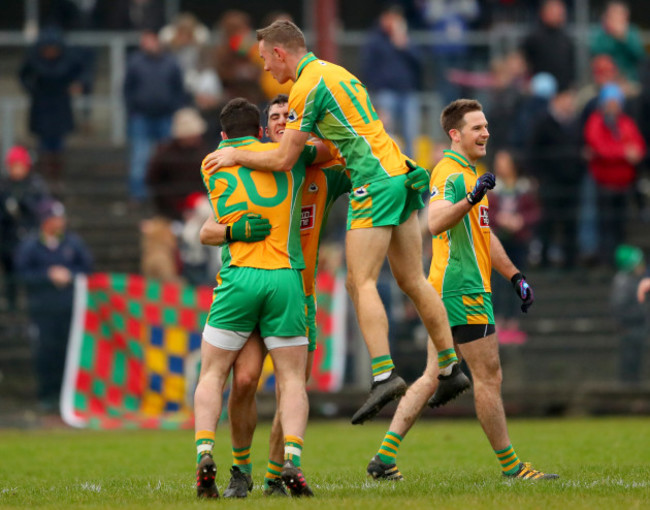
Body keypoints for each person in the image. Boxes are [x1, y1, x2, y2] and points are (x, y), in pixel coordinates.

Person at [202, 19, 469, 425]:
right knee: (412, 279)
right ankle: (450, 367)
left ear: (280, 52)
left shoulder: (306, 87)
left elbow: (282, 158)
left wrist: (237, 155)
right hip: (401, 171)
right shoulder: (338, 72)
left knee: (358, 281)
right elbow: (349, 134)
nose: (265, 71)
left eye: (264, 60)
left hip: (374, 183)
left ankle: (383, 374)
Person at [366, 99, 558, 482]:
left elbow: (483, 237)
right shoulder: (449, 173)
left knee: (434, 372)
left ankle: (383, 459)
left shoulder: (471, 173)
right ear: (455, 134)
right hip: (461, 290)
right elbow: (435, 222)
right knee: (489, 376)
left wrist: (515, 275)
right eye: (476, 127)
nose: (485, 132)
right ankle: (512, 468)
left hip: (450, 288)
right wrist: (471, 197)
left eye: (486, 125)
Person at [198, 94, 351, 497]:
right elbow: (205, 231)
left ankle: (274, 475)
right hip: (274, 279)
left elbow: (345, 151)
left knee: (292, 383)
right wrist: (233, 230)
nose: (284, 121)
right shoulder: (285, 162)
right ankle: (243, 472)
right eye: (277, 116)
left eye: (292, 116)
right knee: (246, 379)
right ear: (265, 128)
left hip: (298, 287)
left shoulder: (315, 167)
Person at [14, 199, 93, 411]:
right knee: (46, 351)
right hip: (42, 309)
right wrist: (47, 276)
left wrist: (70, 275)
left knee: (69, 350)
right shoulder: (31, 245)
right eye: (54, 218)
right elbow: (22, 274)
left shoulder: (72, 243)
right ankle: (47, 395)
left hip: (69, 307)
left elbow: (87, 269)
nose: (59, 223)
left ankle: (67, 396)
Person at [583, 82, 646, 264]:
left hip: (624, 184)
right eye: (610, 102)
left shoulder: (625, 122)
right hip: (604, 183)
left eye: (616, 102)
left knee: (621, 227)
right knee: (605, 225)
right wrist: (624, 153)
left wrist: (631, 152)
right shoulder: (596, 121)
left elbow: (638, 145)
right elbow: (600, 147)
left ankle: (619, 261)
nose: (613, 106)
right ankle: (606, 261)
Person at [19, 27, 83, 193]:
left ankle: (56, 179)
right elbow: (23, 76)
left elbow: (81, 73)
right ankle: (44, 180)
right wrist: (32, 90)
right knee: (44, 145)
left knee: (58, 145)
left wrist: (76, 84)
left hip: (60, 105)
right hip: (42, 105)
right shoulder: (35, 60)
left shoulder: (68, 59)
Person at [123, 30, 185, 202]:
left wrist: (174, 108)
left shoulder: (171, 63)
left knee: (167, 157)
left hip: (165, 116)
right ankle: (137, 194)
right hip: (141, 116)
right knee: (139, 157)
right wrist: (132, 110)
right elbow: (127, 89)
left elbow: (178, 88)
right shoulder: (135, 62)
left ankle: (165, 193)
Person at [527, 87, 583, 268]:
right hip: (550, 182)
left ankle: (570, 263)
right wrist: (538, 177)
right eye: (566, 98)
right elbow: (533, 152)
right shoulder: (542, 122)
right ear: (557, 99)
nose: (570, 103)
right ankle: (543, 261)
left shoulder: (575, 123)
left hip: (571, 182)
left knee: (570, 223)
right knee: (547, 222)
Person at [361, 2, 422, 157]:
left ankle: (412, 169)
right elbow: (367, 69)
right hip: (385, 93)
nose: (393, 21)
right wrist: (375, 91)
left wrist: (405, 45)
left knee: (411, 135)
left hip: (408, 93)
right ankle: (390, 166)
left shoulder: (407, 39)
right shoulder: (374, 40)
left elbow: (420, 63)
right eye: (391, 17)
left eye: (397, 17)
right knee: (387, 133)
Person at [0, 146, 51, 311]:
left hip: (30, 238)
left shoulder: (35, 185)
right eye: (12, 166)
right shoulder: (4, 186)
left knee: (32, 276)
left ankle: (34, 307)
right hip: (8, 240)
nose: (16, 170)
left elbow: (44, 210)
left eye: (19, 165)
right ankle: (12, 306)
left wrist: (25, 204)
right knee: (11, 276)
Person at [611, 245, 648, 384]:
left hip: (636, 326)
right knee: (629, 359)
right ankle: (628, 385)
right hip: (630, 327)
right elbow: (620, 307)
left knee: (635, 358)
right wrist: (641, 313)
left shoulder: (633, 281)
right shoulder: (624, 283)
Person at [521, 0, 575, 91]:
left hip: (562, 92)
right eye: (554, 10)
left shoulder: (567, 40)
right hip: (539, 90)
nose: (559, 13)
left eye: (561, 11)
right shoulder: (533, 38)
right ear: (544, 13)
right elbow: (524, 64)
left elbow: (571, 68)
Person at [590, 1, 645, 85]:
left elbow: (639, 55)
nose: (615, 17)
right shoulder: (601, 33)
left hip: (629, 80)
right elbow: (596, 53)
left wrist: (623, 38)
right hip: (605, 80)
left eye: (619, 14)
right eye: (613, 14)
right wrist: (612, 34)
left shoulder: (631, 32)